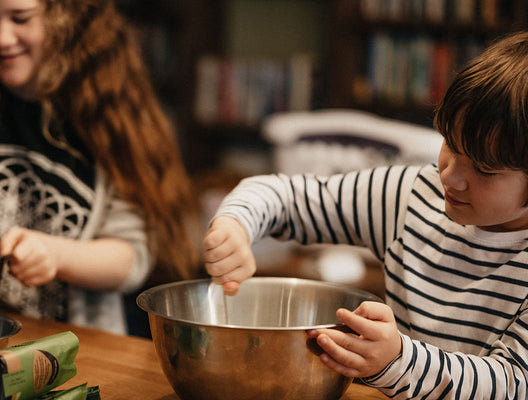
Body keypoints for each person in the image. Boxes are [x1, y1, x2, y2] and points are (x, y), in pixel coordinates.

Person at [204, 31, 528, 399]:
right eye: (450, 144)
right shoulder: (411, 197)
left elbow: (514, 385)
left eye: (484, 169)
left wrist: (399, 361)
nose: (450, 175)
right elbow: (285, 196)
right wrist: (235, 224)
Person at [0, 0, 200, 335]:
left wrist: (56, 255)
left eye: (20, 18)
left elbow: (131, 260)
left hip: (69, 354)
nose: (0, 38)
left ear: (65, 18)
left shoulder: (107, 117)